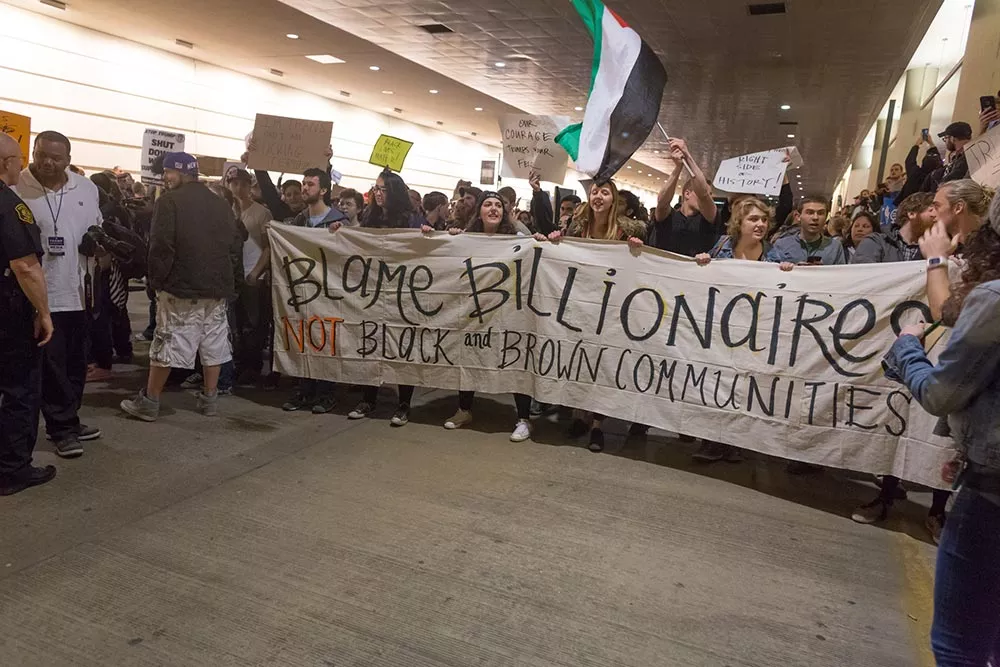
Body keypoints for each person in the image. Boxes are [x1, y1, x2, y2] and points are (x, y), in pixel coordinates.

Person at [880, 192, 1000, 666]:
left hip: (992, 497)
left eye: (940, 201)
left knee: (960, 644)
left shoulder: (992, 296)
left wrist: (908, 348)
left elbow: (941, 393)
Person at [120, 153, 244, 422]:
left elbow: (161, 247)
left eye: (168, 172)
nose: (165, 178)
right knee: (213, 341)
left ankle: (150, 401)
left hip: (181, 286)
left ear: (181, 172)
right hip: (217, 287)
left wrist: (156, 282)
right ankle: (210, 399)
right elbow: (235, 242)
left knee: (167, 341)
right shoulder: (220, 203)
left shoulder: (169, 202)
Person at [423, 191, 547, 442]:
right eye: (487, 204)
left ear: (505, 211)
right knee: (468, 354)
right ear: (479, 210)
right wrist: (439, 238)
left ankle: (523, 418)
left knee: (515, 357)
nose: (493, 209)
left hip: (509, 310)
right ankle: (464, 409)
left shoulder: (519, 239)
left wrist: (543, 240)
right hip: (475, 310)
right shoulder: (466, 237)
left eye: (498, 205)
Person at [13, 131, 103, 458]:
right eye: (42, 154)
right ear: (33, 152)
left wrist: (98, 244)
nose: (48, 162)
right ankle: (61, 428)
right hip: (37, 296)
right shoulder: (16, 188)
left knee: (76, 363)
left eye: (56, 157)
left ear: (68, 158)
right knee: (50, 366)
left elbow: (97, 227)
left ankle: (70, 417)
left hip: (79, 290)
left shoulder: (87, 188)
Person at [690, 197, 794, 462]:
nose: (760, 224)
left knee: (745, 385)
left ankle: (736, 441)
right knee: (718, 382)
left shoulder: (774, 255)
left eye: (764, 219)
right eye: (753, 219)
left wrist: (788, 274)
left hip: (754, 332)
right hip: (721, 328)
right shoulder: (723, 248)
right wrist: (702, 262)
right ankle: (711, 440)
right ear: (740, 222)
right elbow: (703, 281)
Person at [549, 179, 645, 452]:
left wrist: (636, 248)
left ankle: (597, 425)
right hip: (581, 302)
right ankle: (580, 415)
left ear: (613, 199)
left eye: (605, 192)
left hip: (612, 306)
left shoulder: (627, 230)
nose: (598, 197)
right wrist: (558, 241)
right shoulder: (576, 227)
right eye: (594, 192)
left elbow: (640, 263)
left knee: (603, 363)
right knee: (580, 358)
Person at [334, 169, 418, 426]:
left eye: (381, 189)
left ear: (393, 192)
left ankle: (404, 404)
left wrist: (427, 233)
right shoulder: (369, 216)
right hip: (373, 291)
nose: (376, 193)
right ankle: (368, 398)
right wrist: (343, 231)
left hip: (403, 291)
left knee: (403, 347)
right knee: (369, 344)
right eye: (375, 188)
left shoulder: (412, 219)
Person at [0, 132, 56, 496]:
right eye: (19, 158)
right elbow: (25, 266)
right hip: (7, 315)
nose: (23, 165)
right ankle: (13, 470)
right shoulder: (9, 204)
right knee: (19, 391)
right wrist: (44, 311)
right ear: (6, 163)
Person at [282, 168, 344, 413]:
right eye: (303, 183)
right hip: (304, 291)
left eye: (310, 184)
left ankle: (327, 392)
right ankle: (305, 390)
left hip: (330, 292)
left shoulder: (340, 221)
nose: (304, 188)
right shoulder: (299, 221)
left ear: (324, 190)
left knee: (327, 340)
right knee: (305, 339)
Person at [228, 169, 272, 387]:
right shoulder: (225, 211)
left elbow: (268, 247)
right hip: (231, 277)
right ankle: (238, 365)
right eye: (234, 184)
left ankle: (252, 368)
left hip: (253, 277)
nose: (238, 188)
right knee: (234, 324)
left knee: (252, 325)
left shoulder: (262, 213)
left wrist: (256, 272)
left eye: (243, 184)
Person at [648, 138, 720, 256]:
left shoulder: (708, 219)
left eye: (711, 195)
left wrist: (687, 156)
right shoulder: (669, 217)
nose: (709, 198)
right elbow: (662, 203)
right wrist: (678, 168)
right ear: (687, 194)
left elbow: (703, 194)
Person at [772, 196, 848, 265]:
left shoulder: (835, 247)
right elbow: (770, 273)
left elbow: (840, 276)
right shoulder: (781, 245)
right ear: (798, 216)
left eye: (820, 213)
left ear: (826, 217)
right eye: (810, 212)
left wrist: (823, 271)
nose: (815, 217)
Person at [895, 133, 942, 205]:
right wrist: (931, 143)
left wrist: (917, 144)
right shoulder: (937, 177)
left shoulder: (915, 173)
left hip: (908, 205)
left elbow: (910, 160)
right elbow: (938, 162)